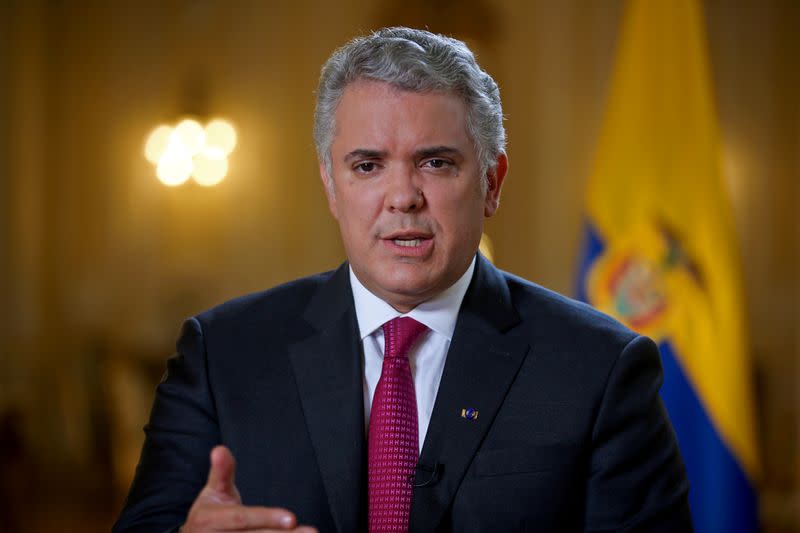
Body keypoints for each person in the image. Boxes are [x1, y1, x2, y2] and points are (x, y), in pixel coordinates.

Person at [113, 27, 692, 533]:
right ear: (331, 186)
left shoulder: (600, 369)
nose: (402, 197)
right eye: (368, 165)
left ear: (492, 182)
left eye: (435, 162)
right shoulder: (223, 355)